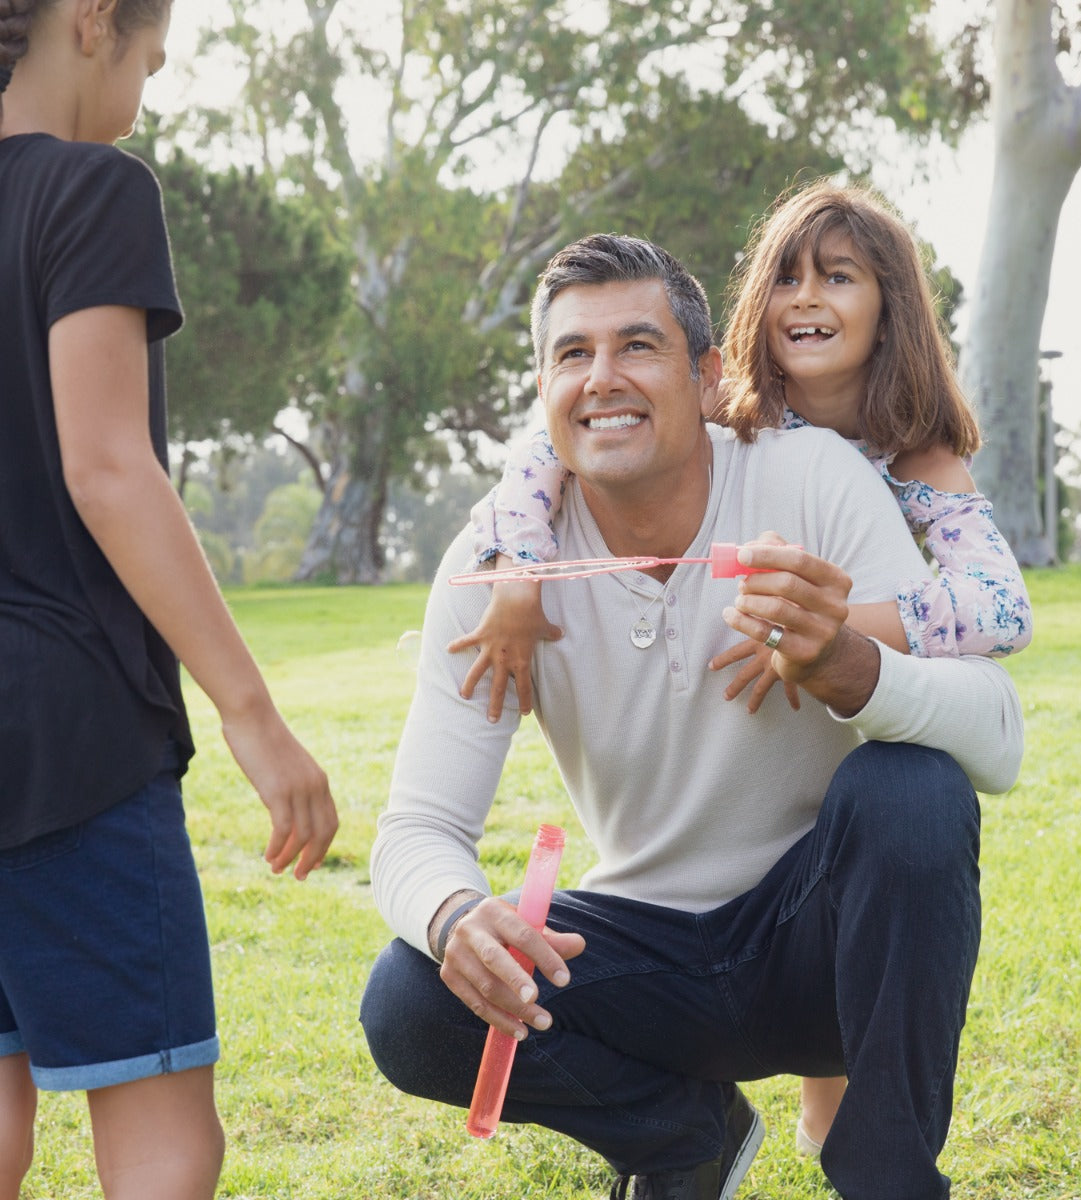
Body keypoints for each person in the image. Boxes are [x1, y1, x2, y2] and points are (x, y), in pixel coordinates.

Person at [360, 233, 1024, 1200]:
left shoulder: (810, 480)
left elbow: (997, 739)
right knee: (413, 994)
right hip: (644, 966)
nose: (603, 380)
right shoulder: (498, 571)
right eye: (572, 355)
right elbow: (417, 828)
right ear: (542, 390)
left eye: (638, 346)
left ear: (709, 375)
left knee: (913, 784)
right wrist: (457, 914)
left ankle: (888, 1179)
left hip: (829, 952)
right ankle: (685, 1139)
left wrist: (850, 666)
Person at [0, 3, 339, 1197]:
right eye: (151, 58)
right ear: (93, 22)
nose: (143, 87)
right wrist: (254, 717)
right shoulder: (92, 192)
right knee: (162, 1138)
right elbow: (105, 468)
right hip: (66, 727)